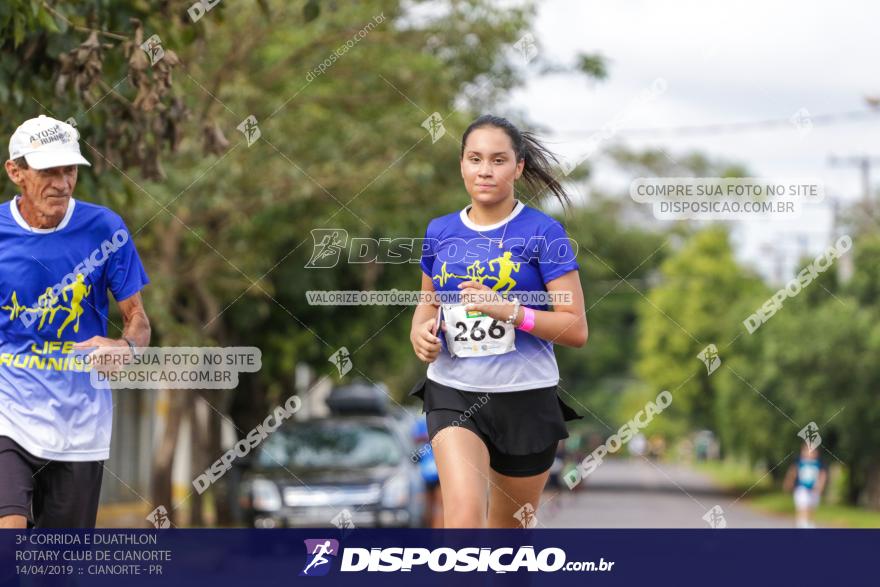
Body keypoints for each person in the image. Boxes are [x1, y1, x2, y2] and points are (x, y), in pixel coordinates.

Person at [409, 114, 587, 528]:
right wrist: (420, 333)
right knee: (464, 522)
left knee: (508, 543)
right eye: (475, 159)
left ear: (518, 167)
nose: (485, 170)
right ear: (462, 164)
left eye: (498, 160)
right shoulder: (440, 232)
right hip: (453, 392)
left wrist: (511, 311)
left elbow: (575, 328)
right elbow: (427, 303)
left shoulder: (544, 233)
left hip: (526, 398)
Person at [0, 115, 151, 528]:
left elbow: (137, 319)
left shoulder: (104, 229)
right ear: (16, 172)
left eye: (69, 170)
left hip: (80, 425)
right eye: (49, 171)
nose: (63, 183)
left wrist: (127, 347)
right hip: (7, 413)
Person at [783, 443, 827, 529]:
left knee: (811, 509)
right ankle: (802, 525)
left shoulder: (818, 464)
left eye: (813, 451)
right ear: (802, 452)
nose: (810, 453)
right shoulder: (800, 462)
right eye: (807, 451)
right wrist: (789, 482)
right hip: (801, 489)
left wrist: (821, 486)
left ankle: (808, 523)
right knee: (803, 507)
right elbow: (792, 472)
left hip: (814, 490)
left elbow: (822, 475)